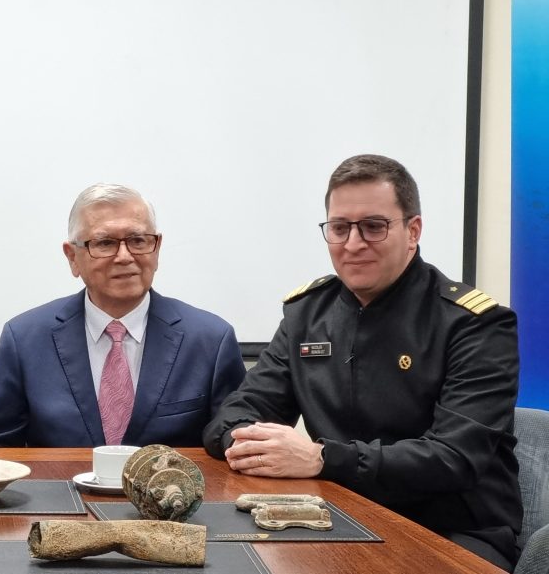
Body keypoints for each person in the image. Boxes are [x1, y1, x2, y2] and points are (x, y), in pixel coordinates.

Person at [202, 154, 521, 570]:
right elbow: (233, 417)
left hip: (452, 532)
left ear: (413, 231)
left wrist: (321, 458)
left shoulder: (475, 324)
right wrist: (253, 445)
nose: (353, 244)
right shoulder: (307, 314)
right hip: (334, 520)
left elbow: (453, 459)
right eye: (340, 228)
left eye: (373, 226)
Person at [0, 183, 245, 447]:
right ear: (72, 257)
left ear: (157, 248)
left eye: (138, 240)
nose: (124, 256)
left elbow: (237, 446)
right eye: (105, 243)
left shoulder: (210, 340)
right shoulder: (25, 338)